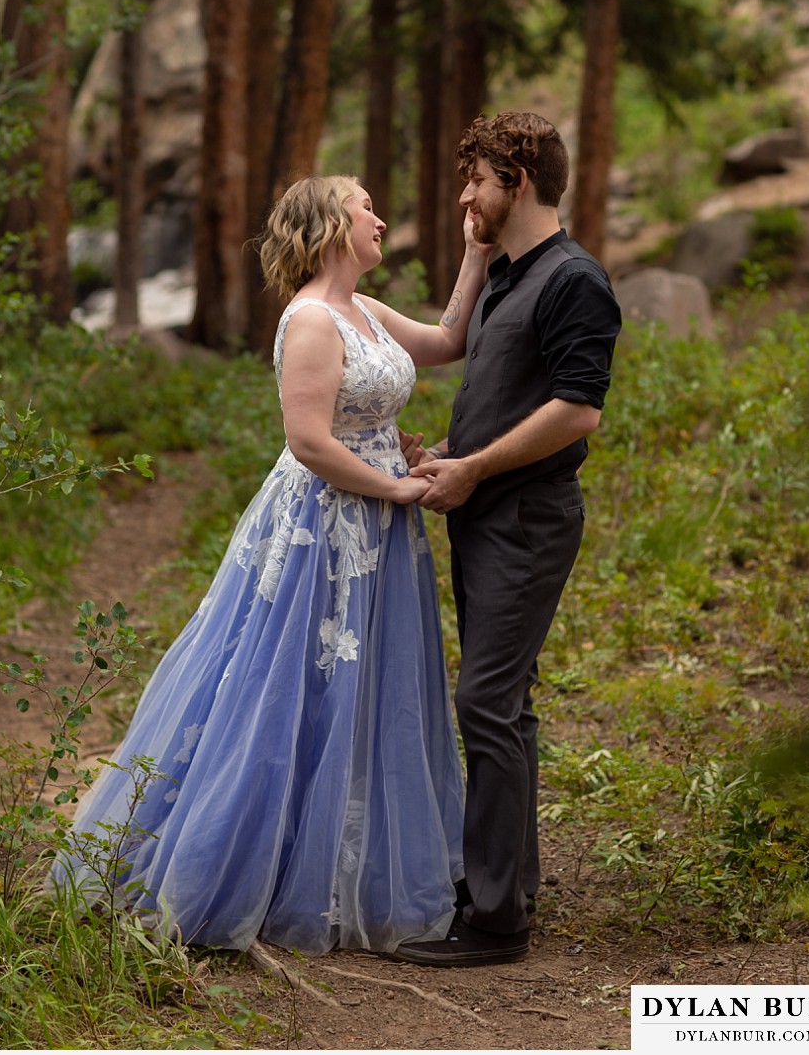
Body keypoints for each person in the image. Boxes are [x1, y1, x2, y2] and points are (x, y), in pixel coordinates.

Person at [49, 174, 492, 956]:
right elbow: (310, 441)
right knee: (288, 684)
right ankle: (243, 865)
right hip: (325, 526)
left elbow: (449, 339)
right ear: (331, 225)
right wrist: (395, 483)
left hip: (381, 526)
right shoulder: (314, 319)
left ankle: (347, 866)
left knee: (369, 690)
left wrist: (475, 250)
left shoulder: (364, 310)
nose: (380, 218)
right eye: (365, 209)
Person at [393, 111, 622, 968]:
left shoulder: (575, 281)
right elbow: (509, 392)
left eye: (477, 180)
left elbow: (577, 409)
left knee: (483, 703)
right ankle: (507, 884)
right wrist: (453, 452)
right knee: (507, 708)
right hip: (487, 512)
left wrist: (477, 468)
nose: (465, 195)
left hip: (527, 523)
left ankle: (493, 922)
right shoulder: (505, 275)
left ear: (516, 182)